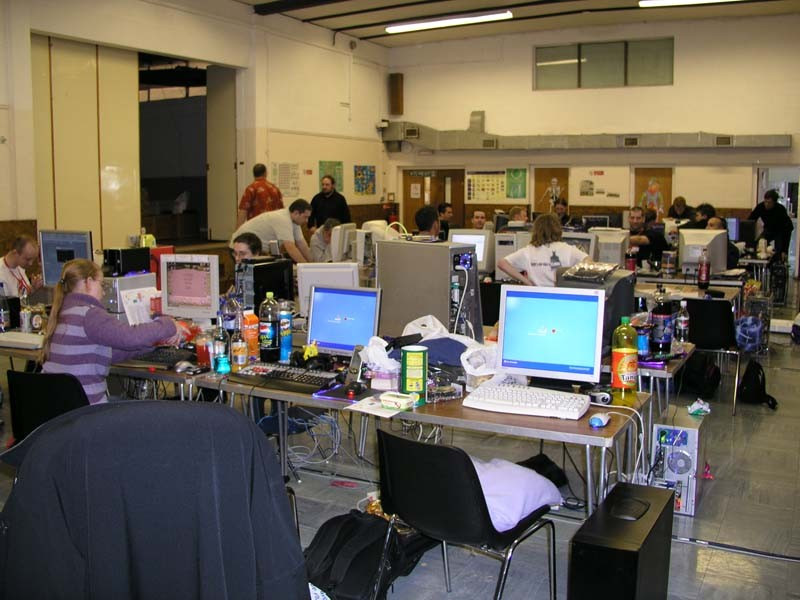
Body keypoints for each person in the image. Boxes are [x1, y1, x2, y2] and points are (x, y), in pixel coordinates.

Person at [41, 259, 180, 405]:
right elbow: (130, 337)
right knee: (146, 408)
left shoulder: (64, 312)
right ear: (89, 282)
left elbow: (106, 353)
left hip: (60, 408)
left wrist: (154, 343)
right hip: (86, 409)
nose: (103, 292)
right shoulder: (89, 314)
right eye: (101, 284)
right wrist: (169, 323)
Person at [497, 214, 588, 287]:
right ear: (558, 229)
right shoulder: (568, 249)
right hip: (560, 296)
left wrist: (526, 282)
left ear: (536, 230)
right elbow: (588, 261)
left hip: (537, 296)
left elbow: (502, 263)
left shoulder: (528, 251)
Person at [231, 199, 313, 263]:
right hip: (240, 247)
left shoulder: (295, 221)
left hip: (253, 248)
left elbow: (302, 245)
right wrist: (306, 268)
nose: (307, 221)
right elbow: (290, 248)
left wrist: (314, 264)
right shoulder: (283, 219)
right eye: (305, 217)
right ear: (296, 213)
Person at [749, 189, 794, 258]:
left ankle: (779, 259)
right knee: (759, 243)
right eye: (765, 202)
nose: (766, 204)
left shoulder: (780, 209)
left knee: (780, 251)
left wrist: (784, 250)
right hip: (769, 228)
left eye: (769, 202)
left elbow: (786, 231)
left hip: (782, 230)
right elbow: (751, 220)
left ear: (774, 202)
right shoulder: (760, 207)